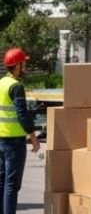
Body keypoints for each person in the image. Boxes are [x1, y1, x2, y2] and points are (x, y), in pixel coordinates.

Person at [0, 47, 40, 214]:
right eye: (24, 63)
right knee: (12, 185)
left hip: (1, 140)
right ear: (17, 65)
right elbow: (22, 114)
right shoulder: (16, 86)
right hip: (14, 141)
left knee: (2, 182)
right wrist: (33, 137)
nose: (25, 66)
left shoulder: (1, 83)